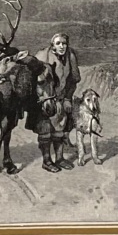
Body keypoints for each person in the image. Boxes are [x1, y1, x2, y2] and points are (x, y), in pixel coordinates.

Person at [25, 33, 80, 169]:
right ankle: (47, 161)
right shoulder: (42, 56)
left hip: (61, 100)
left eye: (64, 43)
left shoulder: (70, 56)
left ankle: (60, 159)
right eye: (58, 43)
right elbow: (36, 81)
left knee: (59, 131)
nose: (62, 46)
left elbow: (73, 81)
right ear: (53, 45)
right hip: (45, 99)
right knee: (45, 131)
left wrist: (67, 98)